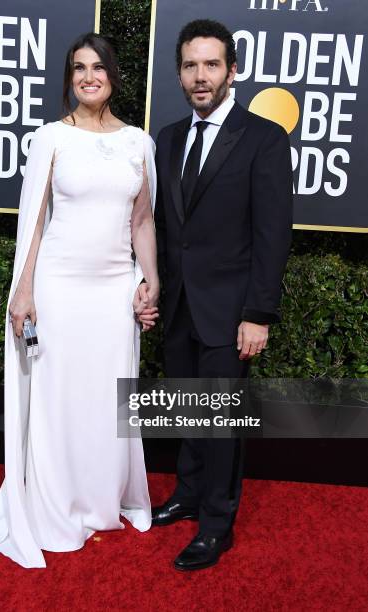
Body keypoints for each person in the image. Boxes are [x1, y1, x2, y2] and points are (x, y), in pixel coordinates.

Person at [0, 33, 159, 569]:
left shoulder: (139, 143)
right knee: (59, 399)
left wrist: (151, 281)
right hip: (59, 286)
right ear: (70, 78)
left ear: (113, 75)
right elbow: (33, 223)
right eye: (79, 68)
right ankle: (56, 504)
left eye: (98, 67)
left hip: (113, 290)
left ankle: (101, 498)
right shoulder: (48, 139)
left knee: (107, 398)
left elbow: (143, 220)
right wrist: (24, 290)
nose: (88, 76)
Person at [139, 19, 293, 571]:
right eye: (189, 65)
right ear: (178, 73)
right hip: (178, 305)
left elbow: (273, 234)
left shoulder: (264, 139)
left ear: (233, 70)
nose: (200, 76)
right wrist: (149, 280)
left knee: (221, 422)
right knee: (186, 409)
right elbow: (159, 223)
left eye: (211, 65)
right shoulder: (170, 139)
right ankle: (187, 493)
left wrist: (258, 313)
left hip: (230, 312)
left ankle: (216, 524)